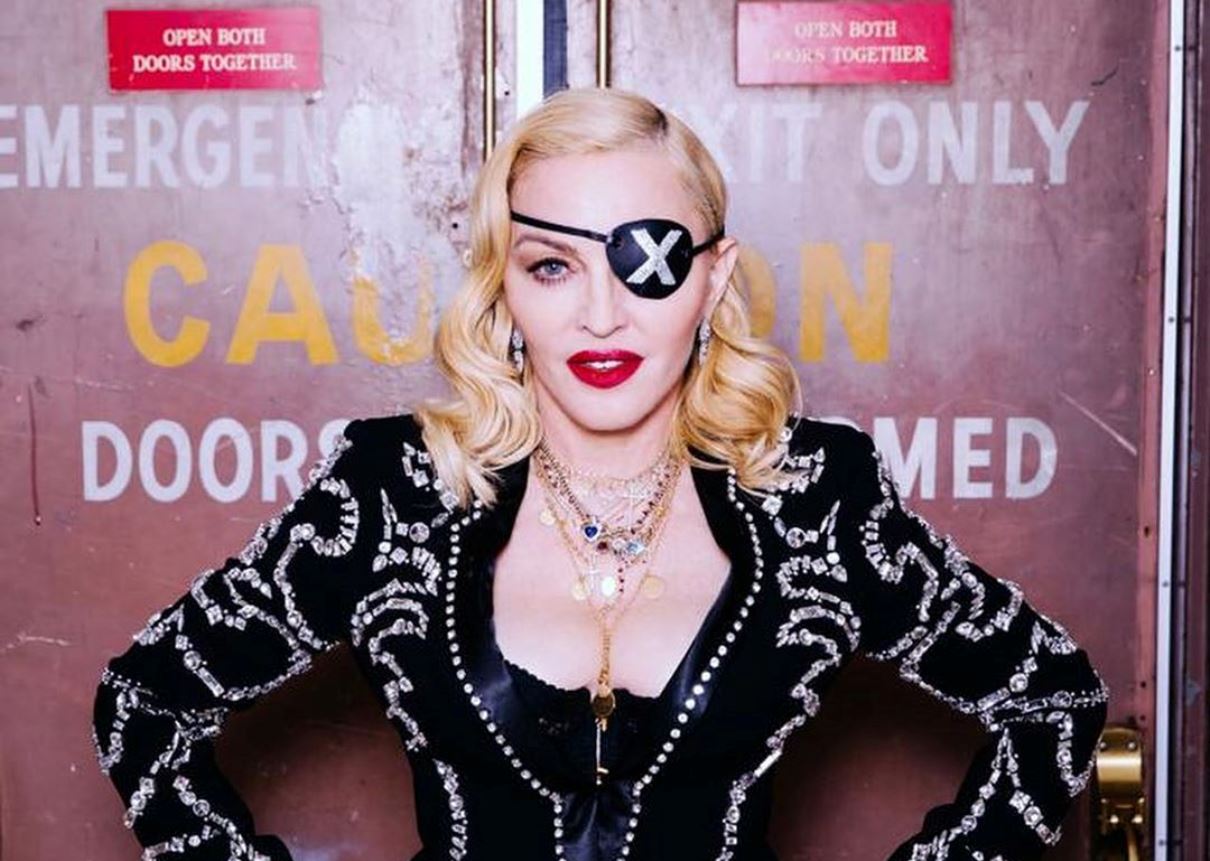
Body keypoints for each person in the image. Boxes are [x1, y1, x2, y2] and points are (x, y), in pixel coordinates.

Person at [92, 87, 1109, 861]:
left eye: (647, 263)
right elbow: (142, 706)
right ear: (503, 289)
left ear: (712, 278)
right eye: (552, 266)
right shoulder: (392, 492)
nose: (601, 316)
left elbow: (1054, 700)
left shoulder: (816, 499)